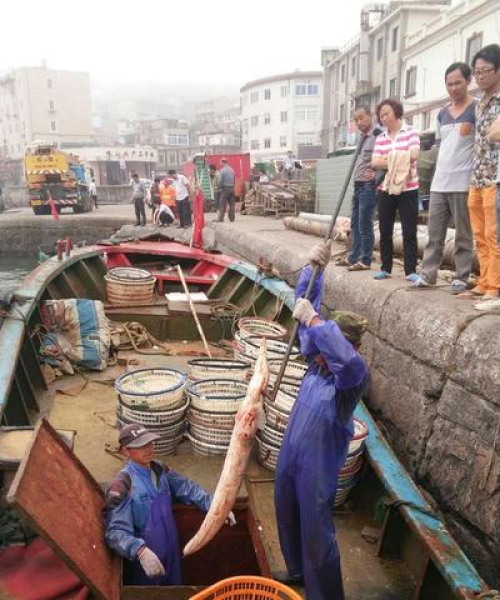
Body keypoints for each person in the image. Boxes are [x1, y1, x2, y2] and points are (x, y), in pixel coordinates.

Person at [274, 241, 369, 600]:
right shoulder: (317, 364)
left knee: (316, 531)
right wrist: (312, 272)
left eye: (330, 346)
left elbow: (339, 354)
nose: (320, 353)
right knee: (285, 510)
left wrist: (314, 320)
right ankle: (297, 571)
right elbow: (306, 314)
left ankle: (325, 594)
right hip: (292, 454)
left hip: (317, 467)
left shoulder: (352, 379)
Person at [103, 423, 235, 586]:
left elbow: (186, 488)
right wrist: (140, 550)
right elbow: (115, 531)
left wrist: (217, 507)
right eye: (140, 446)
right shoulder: (122, 484)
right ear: (125, 451)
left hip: (173, 556)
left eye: (149, 443)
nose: (148, 449)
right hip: (146, 565)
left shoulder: (160, 469)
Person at [412, 63, 476, 294]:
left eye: (458, 82)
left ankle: (461, 276)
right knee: (434, 232)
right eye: (449, 84)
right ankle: (428, 274)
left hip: (464, 181)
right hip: (440, 182)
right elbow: (440, 146)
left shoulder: (476, 109)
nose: (454, 88)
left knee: (463, 233)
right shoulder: (442, 114)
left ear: (468, 81)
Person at [465, 44, 500, 309]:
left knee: (493, 233)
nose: (480, 76)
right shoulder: (479, 105)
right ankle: (485, 280)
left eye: (485, 71)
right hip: (477, 175)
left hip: (495, 177)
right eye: (477, 71)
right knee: (479, 231)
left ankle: (495, 286)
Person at [371, 99, 420, 281]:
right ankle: (386, 267)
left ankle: (410, 270)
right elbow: (375, 162)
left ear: (396, 112)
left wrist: (388, 159)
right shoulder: (381, 138)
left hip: (409, 188)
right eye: (381, 115)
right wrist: (400, 158)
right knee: (385, 229)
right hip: (386, 187)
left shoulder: (411, 132)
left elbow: (414, 155)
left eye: (387, 113)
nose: (384, 118)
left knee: (409, 230)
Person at [337, 106, 380, 271]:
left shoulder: (378, 136)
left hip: (368, 186)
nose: (359, 122)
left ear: (370, 116)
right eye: (356, 120)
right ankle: (353, 256)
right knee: (354, 223)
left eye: (362, 118)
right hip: (358, 184)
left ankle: (365, 260)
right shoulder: (362, 138)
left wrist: (375, 177)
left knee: (364, 224)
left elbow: (383, 161)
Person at [218, 157, 236, 222]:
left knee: (222, 203)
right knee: (232, 204)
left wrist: (219, 187)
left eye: (220, 162)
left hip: (225, 189)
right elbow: (234, 180)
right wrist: (233, 187)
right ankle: (232, 218)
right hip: (232, 188)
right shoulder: (232, 170)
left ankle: (221, 218)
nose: (220, 164)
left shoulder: (222, 170)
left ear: (223, 162)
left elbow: (220, 181)